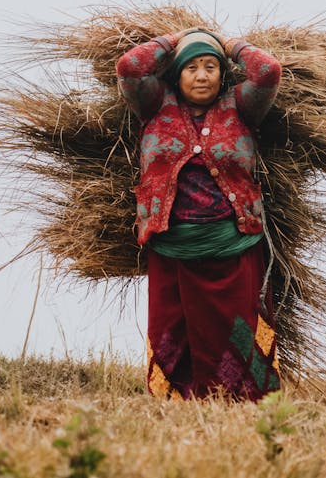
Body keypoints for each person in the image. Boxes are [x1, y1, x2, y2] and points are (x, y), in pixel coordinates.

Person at [116, 27, 282, 400]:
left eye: (211, 66)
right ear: (176, 75)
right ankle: (177, 407)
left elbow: (268, 71)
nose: (202, 75)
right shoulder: (154, 105)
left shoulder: (241, 106)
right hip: (172, 247)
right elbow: (129, 67)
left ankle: (245, 405)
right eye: (191, 67)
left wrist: (231, 46)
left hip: (234, 244)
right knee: (173, 331)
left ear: (223, 75)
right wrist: (176, 38)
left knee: (238, 331)